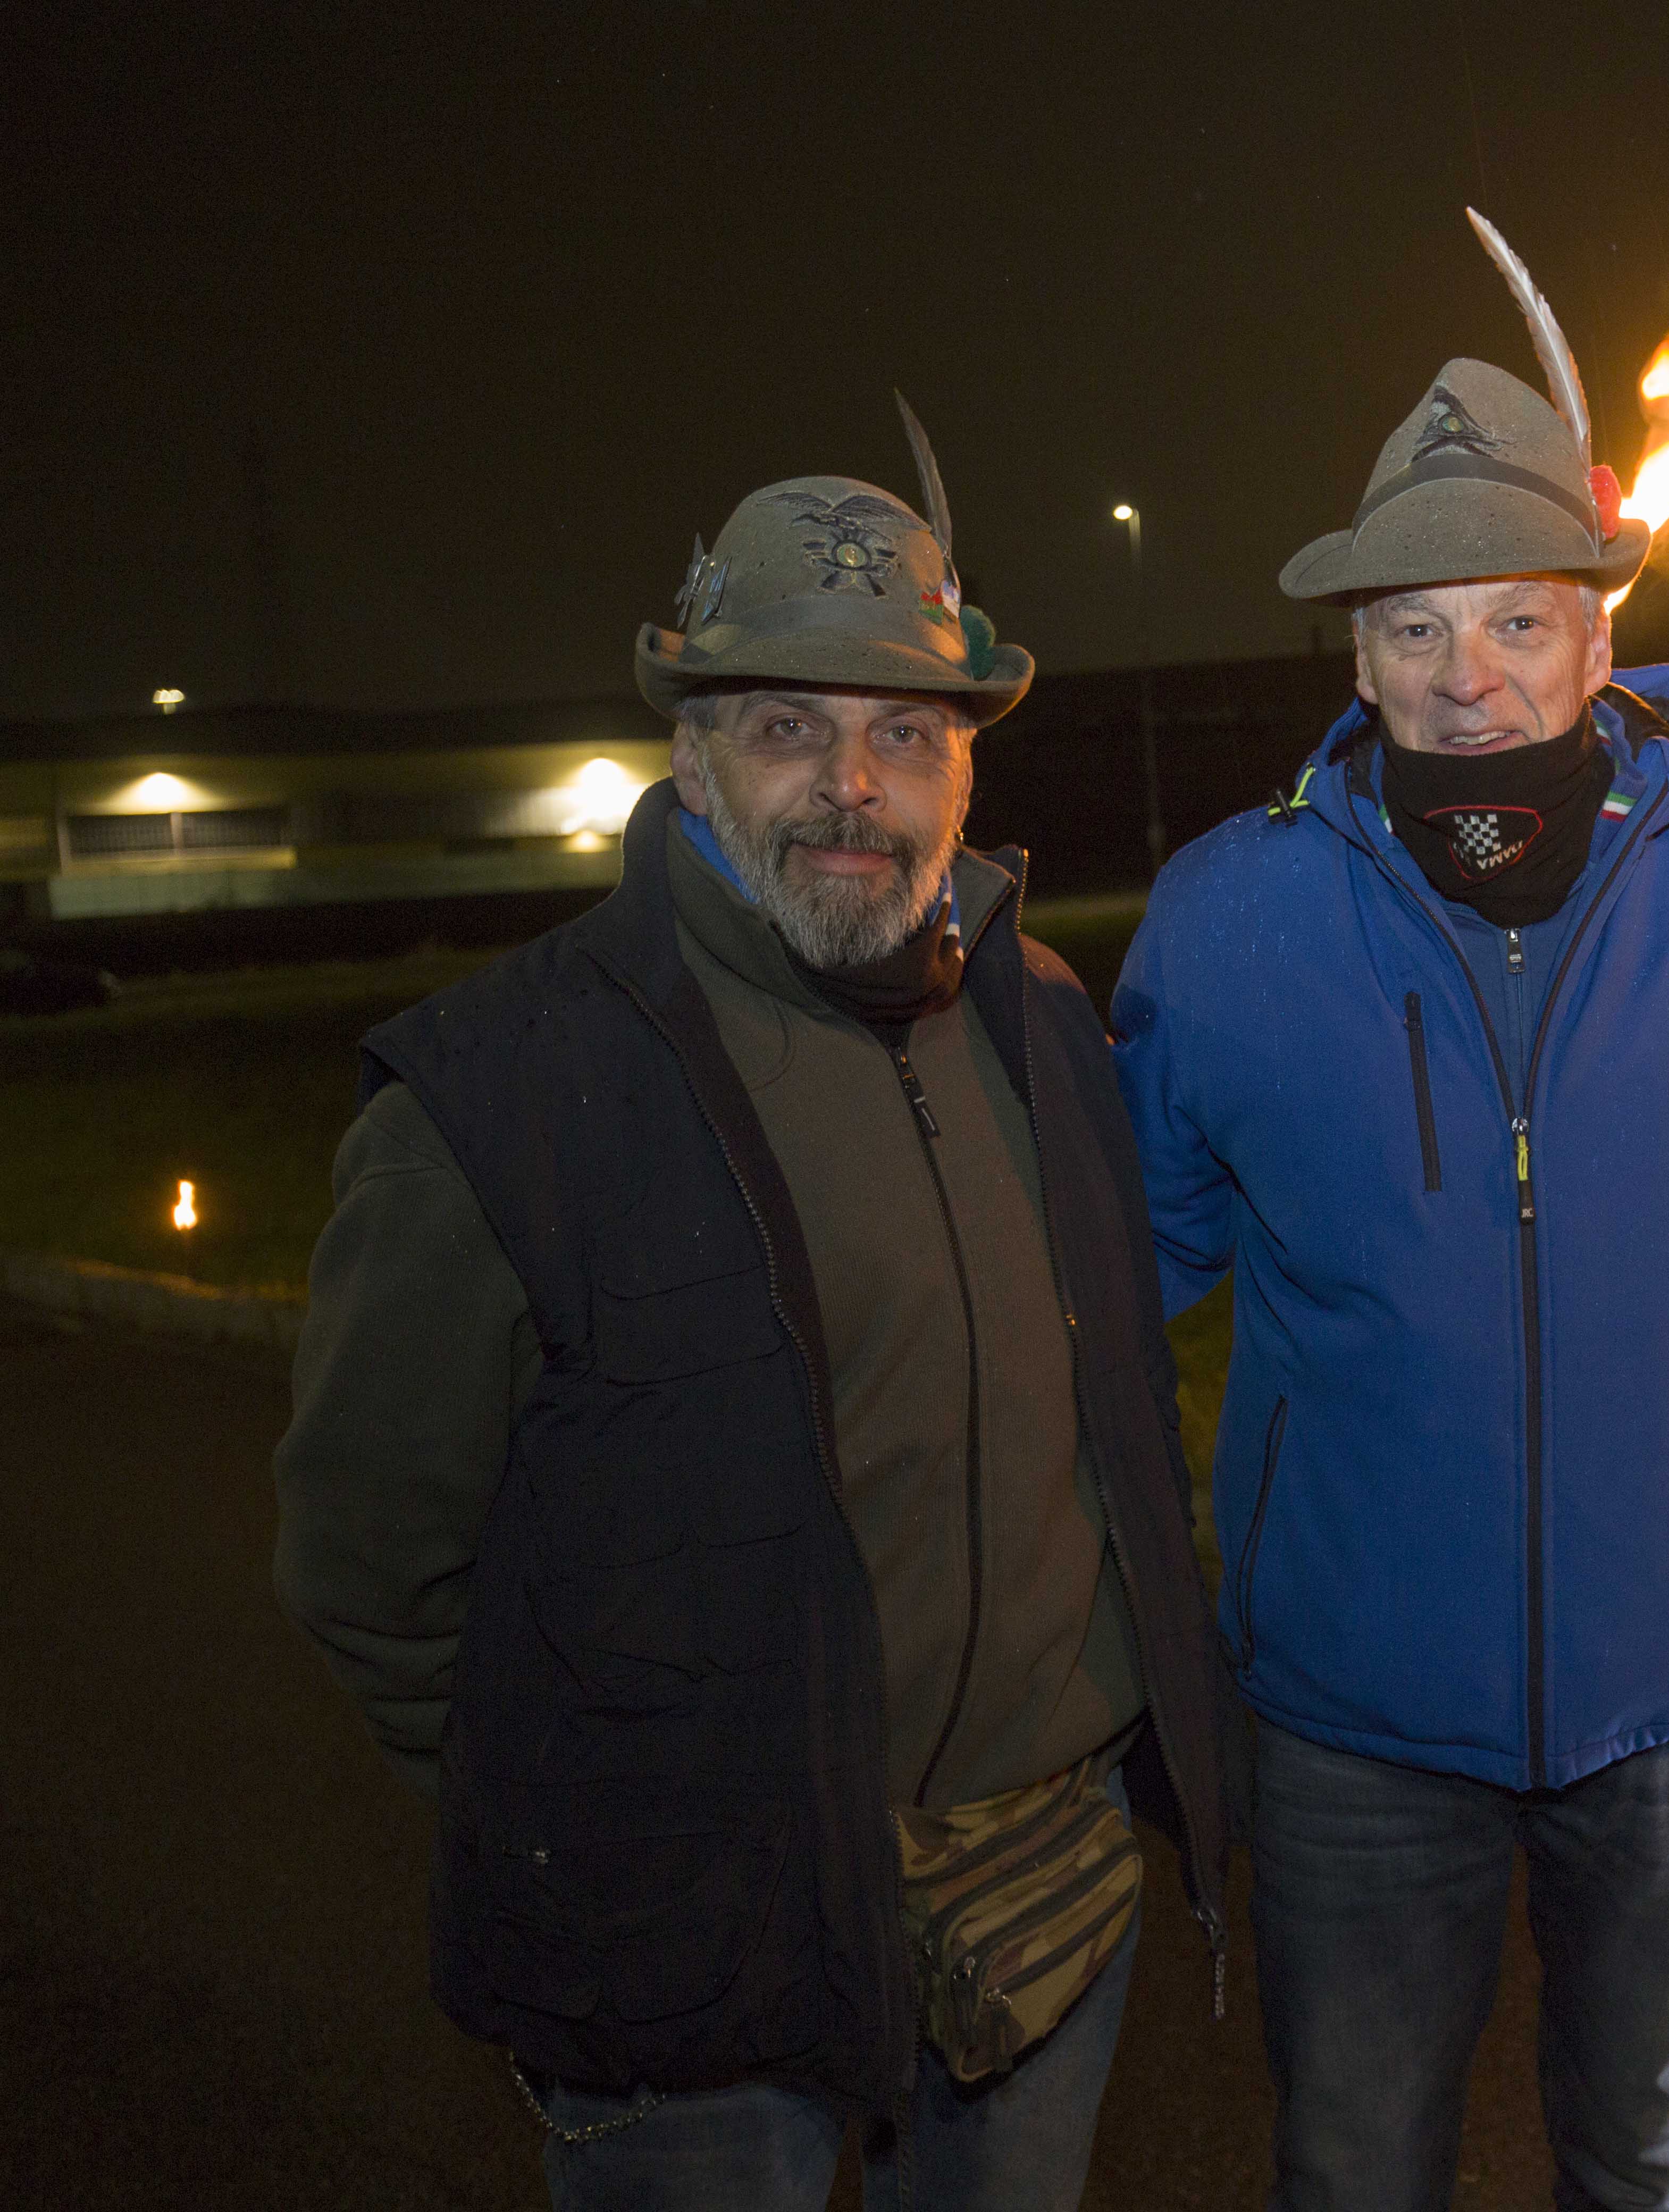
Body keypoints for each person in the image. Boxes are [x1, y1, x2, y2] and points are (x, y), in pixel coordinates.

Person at [272, 419, 1233, 2212]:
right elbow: (370, 1567)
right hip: (697, 1930)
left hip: (1043, 1886)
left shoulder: (1038, 1016)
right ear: (693, 751)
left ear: (964, 768)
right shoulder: (500, 1097)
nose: (852, 786)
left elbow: (1108, 1406)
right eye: (789, 727)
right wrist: (590, 1829)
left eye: (905, 734)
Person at [1110, 223, 1669, 2212]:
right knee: (1355, 2161)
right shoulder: (1226, 917)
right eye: (1415, 631)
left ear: (1600, 638)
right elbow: (1111, 1289)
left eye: (1519, 624)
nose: (1467, 683)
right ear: (1356, 653)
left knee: (1639, 2151)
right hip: (1354, 1711)